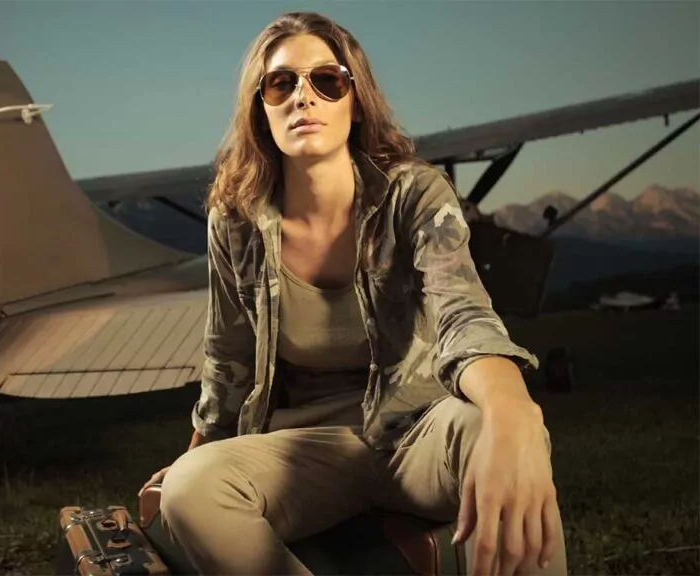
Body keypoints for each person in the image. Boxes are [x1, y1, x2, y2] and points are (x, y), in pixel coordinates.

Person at [138, 11, 568, 576]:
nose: (303, 98)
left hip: (417, 429)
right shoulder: (235, 220)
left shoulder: (412, 193)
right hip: (304, 450)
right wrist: (194, 459)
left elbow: (462, 314)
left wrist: (514, 409)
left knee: (507, 432)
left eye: (327, 81)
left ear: (355, 99)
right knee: (193, 488)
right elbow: (228, 359)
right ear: (260, 108)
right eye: (280, 83)